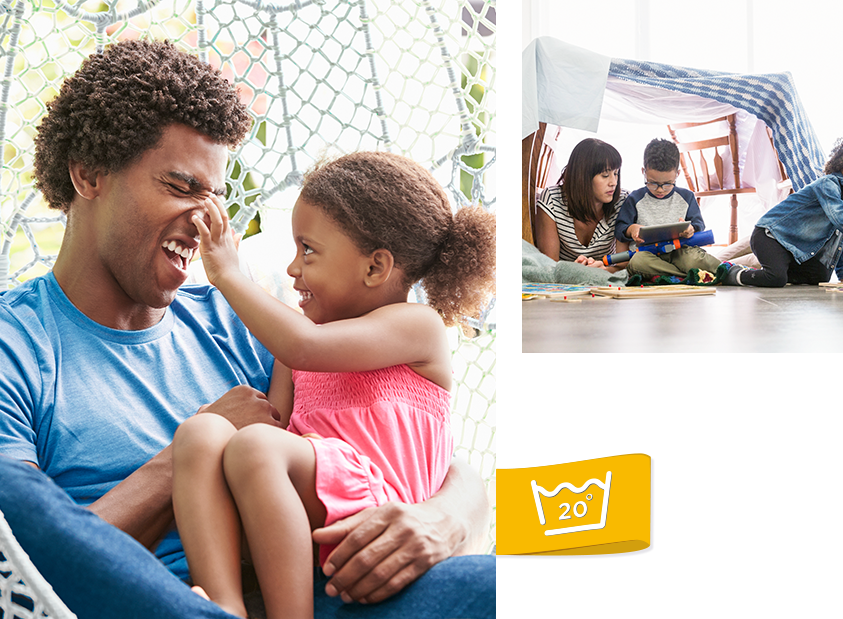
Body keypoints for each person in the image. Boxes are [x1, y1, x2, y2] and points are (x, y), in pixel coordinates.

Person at [0, 39, 493, 619]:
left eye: (214, 194)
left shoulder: (246, 324)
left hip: (330, 586)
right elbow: (24, 561)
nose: (206, 219)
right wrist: (184, 451)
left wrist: (446, 517)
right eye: (182, 187)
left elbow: (411, 445)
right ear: (88, 175)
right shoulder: (19, 345)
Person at [171, 152, 495, 619]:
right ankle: (225, 604)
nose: (292, 269)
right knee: (200, 433)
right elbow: (275, 425)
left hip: (383, 512)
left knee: (257, 448)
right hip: (306, 518)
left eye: (308, 250)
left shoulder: (416, 326)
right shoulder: (298, 346)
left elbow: (307, 347)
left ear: (374, 268)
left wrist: (227, 273)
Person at [723, 131, 843, 287]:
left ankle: (776, 272)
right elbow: (840, 218)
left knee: (820, 277)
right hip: (771, 236)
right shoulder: (827, 184)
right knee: (775, 279)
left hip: (794, 248)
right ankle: (733, 273)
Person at [615, 138, 729, 284]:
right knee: (637, 262)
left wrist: (691, 228)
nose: (660, 190)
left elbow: (699, 224)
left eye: (667, 184)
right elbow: (620, 228)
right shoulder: (634, 198)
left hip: (679, 252)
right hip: (648, 254)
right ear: (644, 172)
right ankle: (686, 276)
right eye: (653, 183)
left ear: (677, 174)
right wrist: (632, 229)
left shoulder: (686, 196)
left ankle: (727, 271)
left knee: (693, 258)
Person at [535, 137, 629, 271]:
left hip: (605, 279)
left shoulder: (623, 201)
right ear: (583, 176)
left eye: (616, 173)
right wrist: (574, 271)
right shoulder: (552, 200)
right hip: (563, 280)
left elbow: (623, 267)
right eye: (605, 175)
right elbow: (549, 267)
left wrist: (603, 269)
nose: (613, 182)